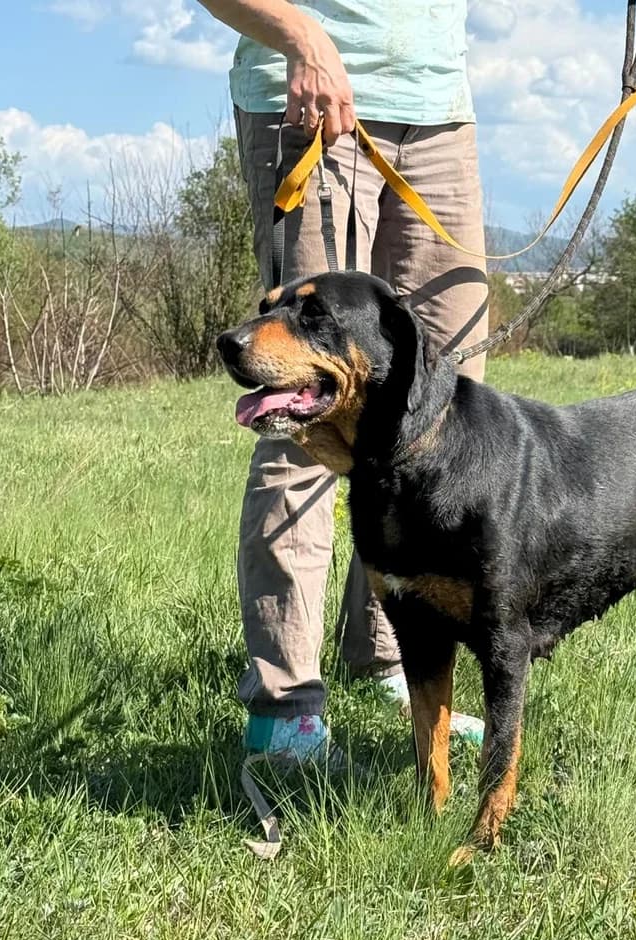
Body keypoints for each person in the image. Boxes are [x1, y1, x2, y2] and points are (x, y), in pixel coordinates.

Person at [199, 0, 488, 767]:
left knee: (435, 413)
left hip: (437, 109)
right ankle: (285, 714)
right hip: (311, 94)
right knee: (304, 409)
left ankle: (389, 660)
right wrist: (302, 36)